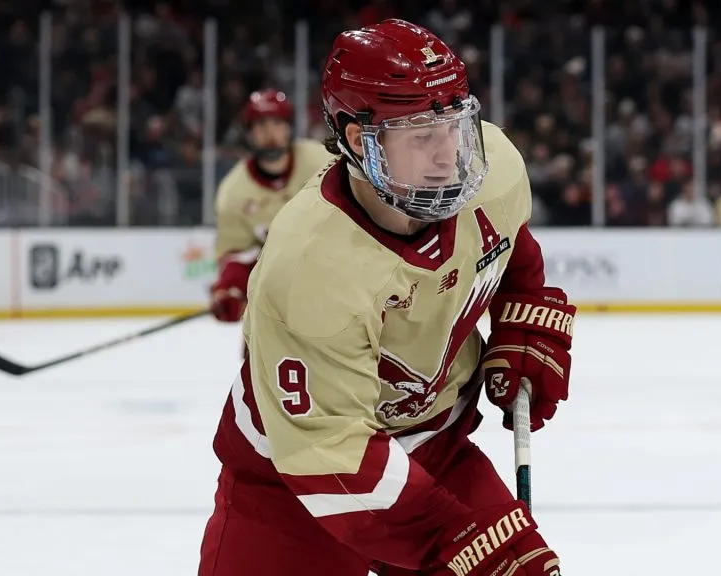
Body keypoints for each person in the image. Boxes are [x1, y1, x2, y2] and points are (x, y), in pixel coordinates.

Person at [198, 19, 575, 576]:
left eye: (455, 127)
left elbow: (508, 246)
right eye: (422, 135)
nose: (450, 155)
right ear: (358, 141)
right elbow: (332, 454)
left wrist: (523, 321)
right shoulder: (311, 268)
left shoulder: (493, 168)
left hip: (434, 443)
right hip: (294, 477)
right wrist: (458, 541)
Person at [210, 88, 333, 322]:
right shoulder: (234, 192)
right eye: (260, 125)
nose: (270, 133)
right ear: (249, 133)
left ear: (289, 128)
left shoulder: (324, 162)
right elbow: (237, 254)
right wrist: (231, 290)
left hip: (334, 289)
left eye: (277, 123)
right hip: (276, 305)